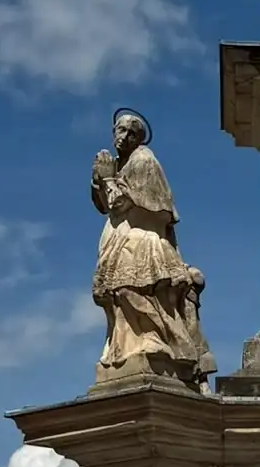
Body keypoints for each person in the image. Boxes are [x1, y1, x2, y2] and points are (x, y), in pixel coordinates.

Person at [91, 111, 215, 387]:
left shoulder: (144, 161)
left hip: (143, 238)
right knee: (116, 294)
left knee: (131, 288)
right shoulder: (121, 163)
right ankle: (124, 349)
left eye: (129, 133)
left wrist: (108, 180)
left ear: (138, 138)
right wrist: (100, 180)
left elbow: (133, 203)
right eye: (119, 131)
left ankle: (157, 342)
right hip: (122, 237)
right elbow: (106, 205)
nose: (122, 137)